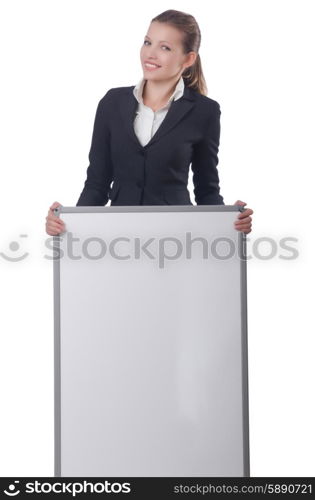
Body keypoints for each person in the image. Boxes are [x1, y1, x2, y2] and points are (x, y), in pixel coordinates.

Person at [46, 9, 253, 236]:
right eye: (147, 42)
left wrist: (231, 220)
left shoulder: (205, 111)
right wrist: (68, 225)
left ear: (188, 59)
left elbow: (207, 190)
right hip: (119, 238)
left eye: (164, 47)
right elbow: (97, 184)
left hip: (178, 238)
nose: (150, 54)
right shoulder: (112, 103)